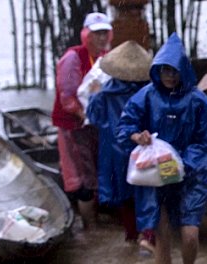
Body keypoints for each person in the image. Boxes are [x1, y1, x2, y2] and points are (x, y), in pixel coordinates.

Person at [115, 33, 207, 264]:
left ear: (183, 69)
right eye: (164, 70)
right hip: (155, 179)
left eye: (173, 70)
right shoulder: (145, 96)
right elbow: (124, 128)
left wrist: (181, 164)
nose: (169, 76)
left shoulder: (199, 102)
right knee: (161, 238)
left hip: (191, 177)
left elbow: (205, 141)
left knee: (190, 236)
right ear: (157, 71)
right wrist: (138, 136)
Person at [86, 40, 154, 253]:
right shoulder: (148, 92)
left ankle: (131, 236)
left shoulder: (105, 93)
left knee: (123, 195)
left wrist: (93, 94)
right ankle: (148, 237)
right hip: (142, 146)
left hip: (114, 150)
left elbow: (94, 117)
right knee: (146, 191)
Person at [52, 12, 113, 229]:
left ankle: (95, 218)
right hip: (75, 126)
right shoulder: (73, 58)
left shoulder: (106, 58)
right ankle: (91, 226)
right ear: (86, 34)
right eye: (97, 33)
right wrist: (87, 117)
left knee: (95, 170)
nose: (101, 37)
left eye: (105, 32)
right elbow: (67, 97)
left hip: (95, 126)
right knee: (82, 177)